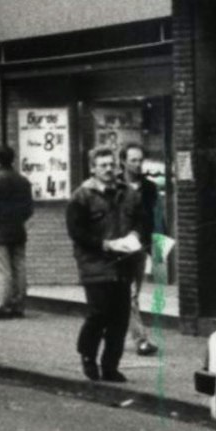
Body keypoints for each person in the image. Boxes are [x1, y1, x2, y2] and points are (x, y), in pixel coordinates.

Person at [65, 146, 139, 383]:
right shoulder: (81, 197)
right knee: (99, 314)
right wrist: (105, 244)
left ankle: (110, 366)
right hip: (95, 264)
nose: (109, 169)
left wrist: (136, 236)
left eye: (112, 165)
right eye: (103, 165)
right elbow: (76, 233)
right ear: (93, 168)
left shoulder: (127, 193)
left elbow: (141, 220)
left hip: (123, 263)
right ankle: (88, 356)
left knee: (120, 317)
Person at [0, 143, 34, 320]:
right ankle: (18, 304)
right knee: (19, 267)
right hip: (18, 230)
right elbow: (29, 209)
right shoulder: (23, 181)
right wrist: (18, 221)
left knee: (1, 269)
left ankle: (2, 305)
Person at [120, 143, 160, 355]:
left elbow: (151, 218)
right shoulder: (115, 186)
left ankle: (115, 332)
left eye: (140, 160)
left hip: (140, 245)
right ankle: (140, 339)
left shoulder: (149, 188)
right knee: (130, 294)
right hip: (119, 247)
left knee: (132, 292)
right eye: (133, 160)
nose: (137, 164)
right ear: (123, 161)